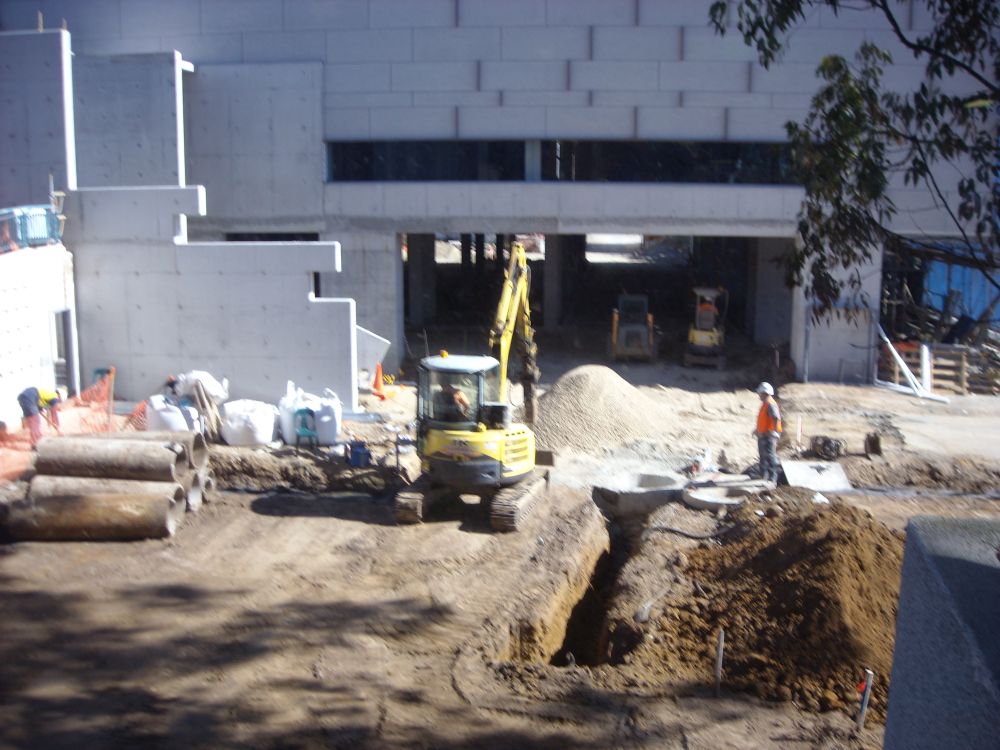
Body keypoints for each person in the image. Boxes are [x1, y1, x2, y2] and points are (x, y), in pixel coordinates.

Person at [753, 382, 782, 482]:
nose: (759, 395)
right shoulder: (765, 404)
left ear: (764, 393)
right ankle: (763, 475)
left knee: (770, 456)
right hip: (763, 435)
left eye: (760, 393)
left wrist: (773, 431)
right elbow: (764, 419)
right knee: (763, 456)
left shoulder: (770, 404)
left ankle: (772, 477)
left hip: (769, 435)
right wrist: (757, 430)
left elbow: (775, 418)